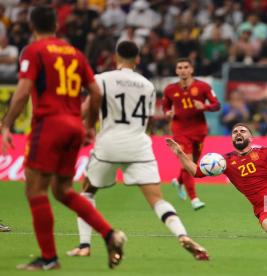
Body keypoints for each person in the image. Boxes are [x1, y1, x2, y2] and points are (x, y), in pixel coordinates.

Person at [0, 5, 125, 270]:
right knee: (62, 190)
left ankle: (49, 258)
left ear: (32, 26)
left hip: (49, 125)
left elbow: (23, 91)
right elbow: (95, 92)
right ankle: (110, 234)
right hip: (74, 127)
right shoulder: (75, 53)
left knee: (35, 189)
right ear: (57, 25)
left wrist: (7, 124)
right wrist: (90, 125)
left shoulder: (34, 51)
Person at [66, 41, 209, 261]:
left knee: (87, 192)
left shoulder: (102, 79)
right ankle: (182, 234)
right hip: (139, 145)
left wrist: (79, 129)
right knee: (157, 200)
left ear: (116, 58)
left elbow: (86, 108)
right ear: (138, 60)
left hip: (109, 143)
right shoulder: (147, 85)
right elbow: (149, 120)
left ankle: (85, 245)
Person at [162, 58, 220, 210]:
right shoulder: (170, 89)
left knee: (191, 165)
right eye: (179, 67)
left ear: (191, 69)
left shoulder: (203, 87)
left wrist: (205, 107)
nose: (183, 70)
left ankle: (179, 181)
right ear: (176, 71)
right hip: (180, 130)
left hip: (199, 131)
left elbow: (217, 105)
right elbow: (166, 106)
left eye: (186, 67)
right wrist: (168, 114)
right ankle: (194, 199)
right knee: (187, 161)